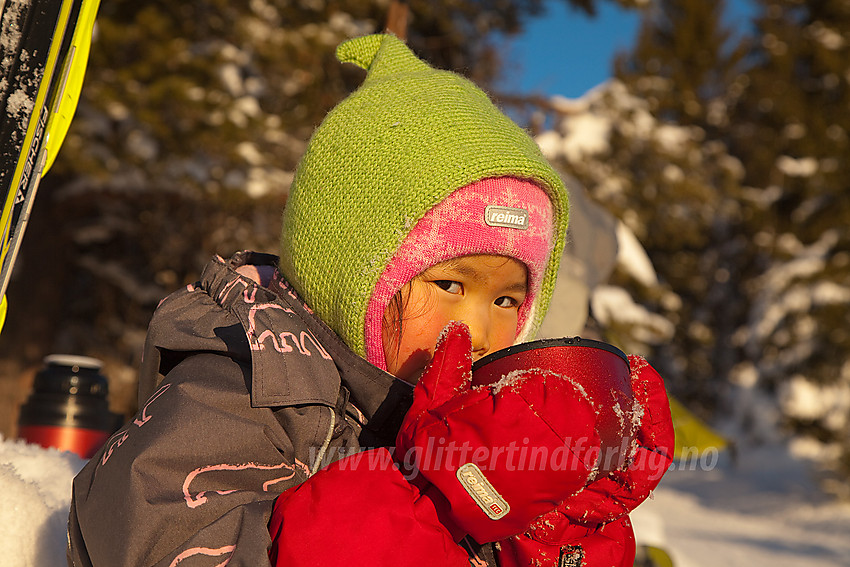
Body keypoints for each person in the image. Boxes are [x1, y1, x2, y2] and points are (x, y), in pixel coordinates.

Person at [67, 34, 673, 567]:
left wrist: (560, 525)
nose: (481, 330)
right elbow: (147, 540)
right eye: (451, 285)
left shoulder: (472, 432)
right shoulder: (250, 389)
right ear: (353, 274)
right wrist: (426, 495)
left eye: (509, 300)